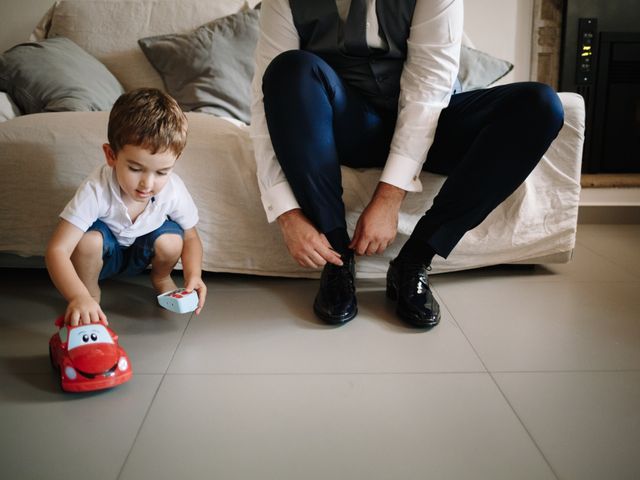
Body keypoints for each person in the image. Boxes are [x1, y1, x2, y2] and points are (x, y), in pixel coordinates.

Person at [250, 0, 564, 328]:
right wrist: (288, 214)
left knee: (539, 106)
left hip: (431, 123)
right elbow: (264, 103)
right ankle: (338, 257)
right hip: (347, 124)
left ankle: (415, 258)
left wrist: (390, 197)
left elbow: (426, 96)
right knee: (289, 68)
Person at [46, 88, 207, 326]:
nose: (147, 184)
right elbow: (57, 250)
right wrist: (77, 296)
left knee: (174, 239)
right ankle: (90, 295)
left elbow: (192, 237)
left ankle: (161, 279)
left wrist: (194, 276)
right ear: (111, 155)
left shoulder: (172, 189)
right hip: (106, 256)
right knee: (88, 240)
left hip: (143, 251)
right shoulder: (96, 189)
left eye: (162, 172)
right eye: (135, 168)